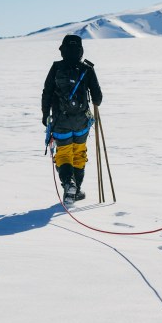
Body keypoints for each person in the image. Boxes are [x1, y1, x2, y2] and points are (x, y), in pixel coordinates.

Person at [42, 34, 103, 204]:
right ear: (80, 50)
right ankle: (76, 190)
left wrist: (45, 114)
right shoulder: (87, 69)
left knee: (64, 153)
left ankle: (69, 184)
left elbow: (47, 93)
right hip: (81, 122)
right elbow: (98, 98)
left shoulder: (56, 67)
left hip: (60, 121)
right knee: (78, 153)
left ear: (63, 49)